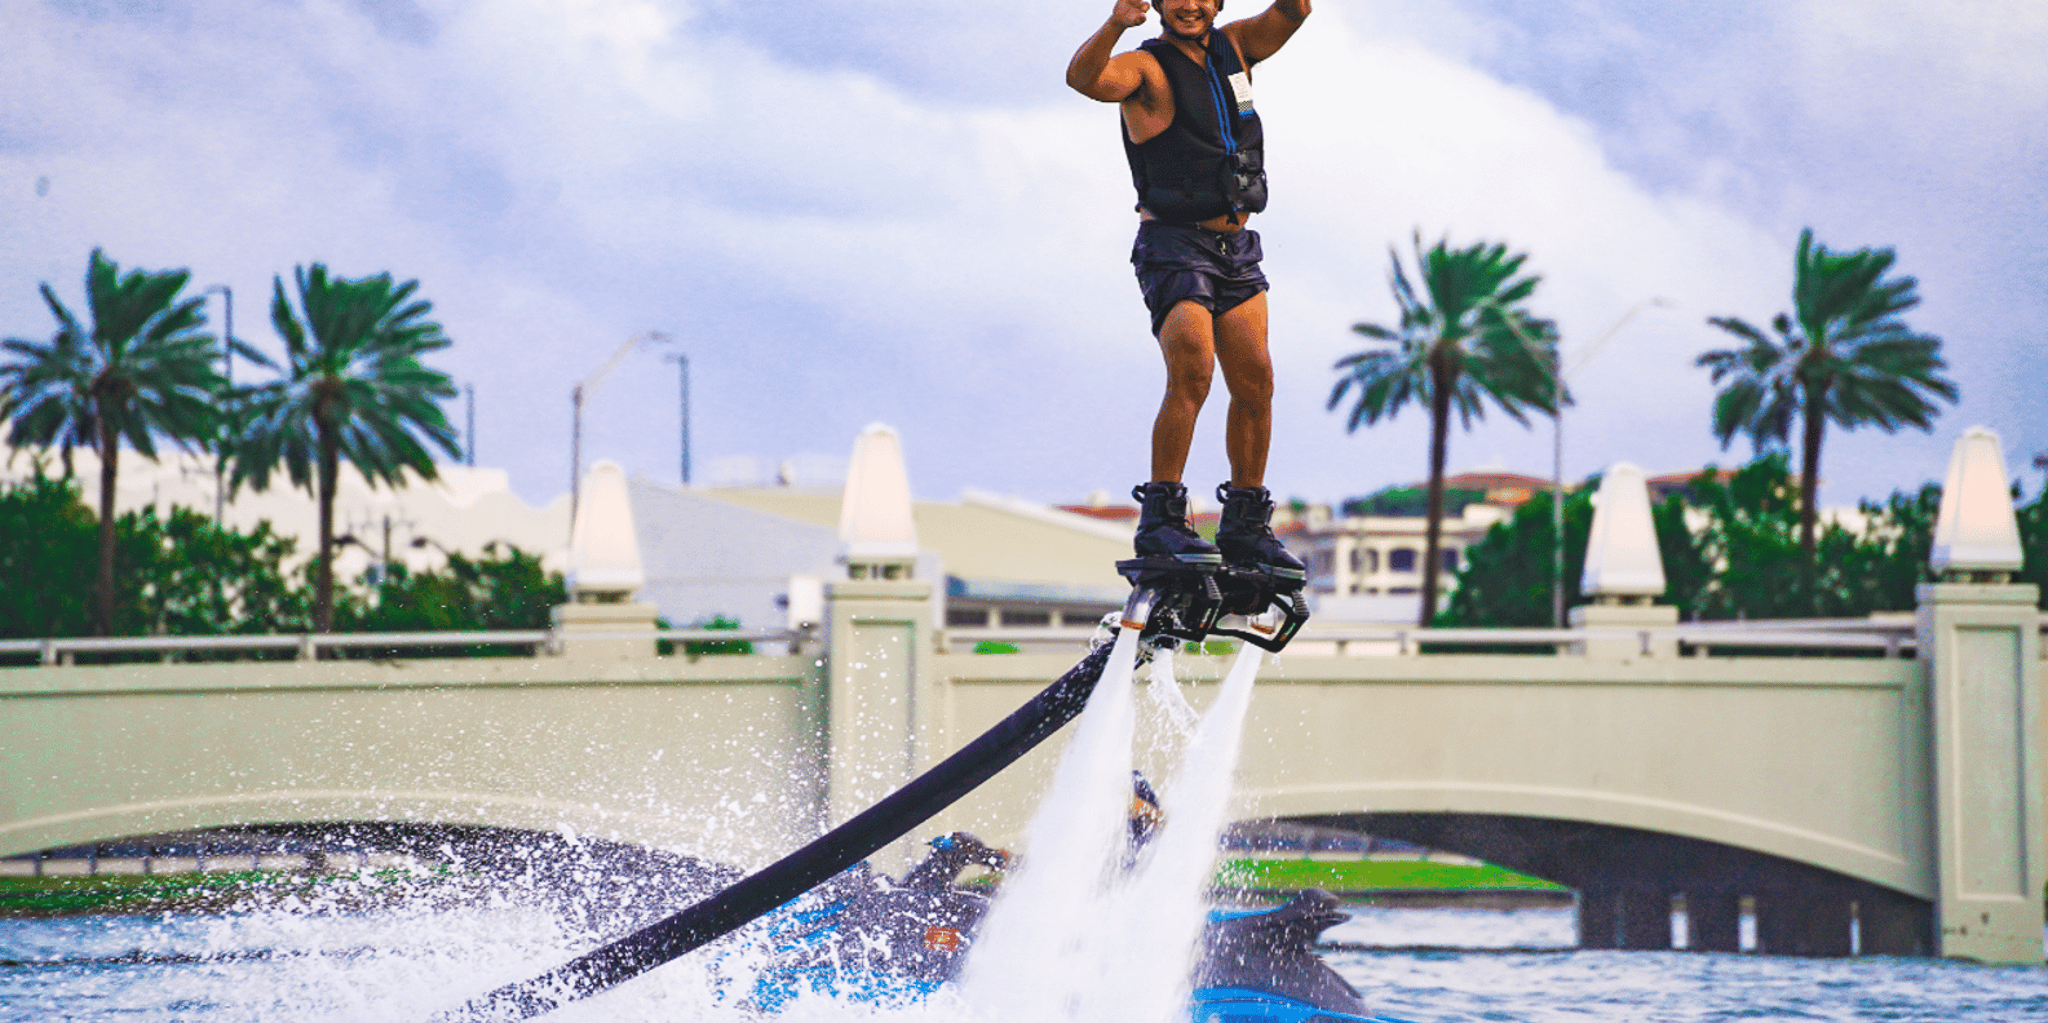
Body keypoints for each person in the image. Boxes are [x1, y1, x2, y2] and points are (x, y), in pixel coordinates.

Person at [1066, 0, 1311, 579]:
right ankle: (1161, 519)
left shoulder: (1237, 46)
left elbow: (1296, 10)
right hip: (1174, 244)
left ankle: (1247, 525)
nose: (1190, 5)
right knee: (1194, 370)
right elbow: (1084, 79)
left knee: (1257, 381)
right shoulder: (1144, 68)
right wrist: (1115, 23)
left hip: (1236, 246)